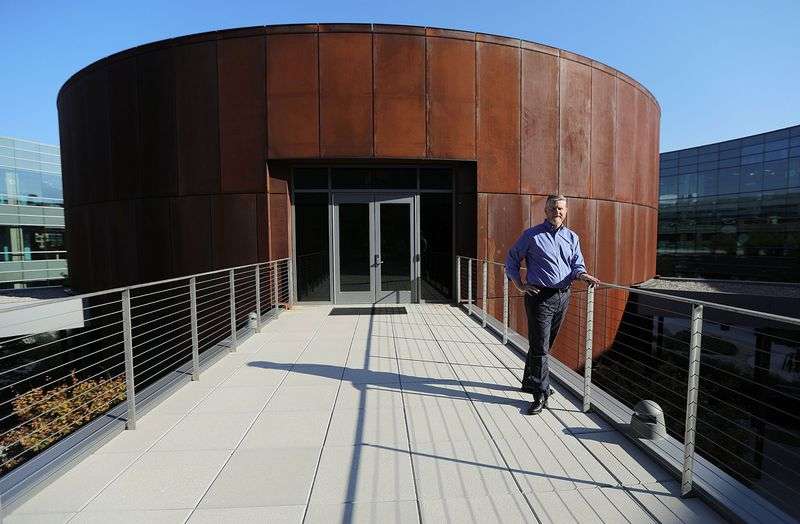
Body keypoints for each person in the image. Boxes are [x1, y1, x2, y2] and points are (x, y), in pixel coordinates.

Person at [505, 195, 600, 415]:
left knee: (544, 344)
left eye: (560, 208)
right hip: (539, 296)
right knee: (540, 346)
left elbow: (576, 264)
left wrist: (583, 275)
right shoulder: (531, 235)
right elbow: (511, 259)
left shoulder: (572, 237)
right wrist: (519, 285)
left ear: (565, 211)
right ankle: (540, 393)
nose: (557, 211)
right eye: (552, 208)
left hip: (563, 296)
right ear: (545, 211)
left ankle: (531, 381)